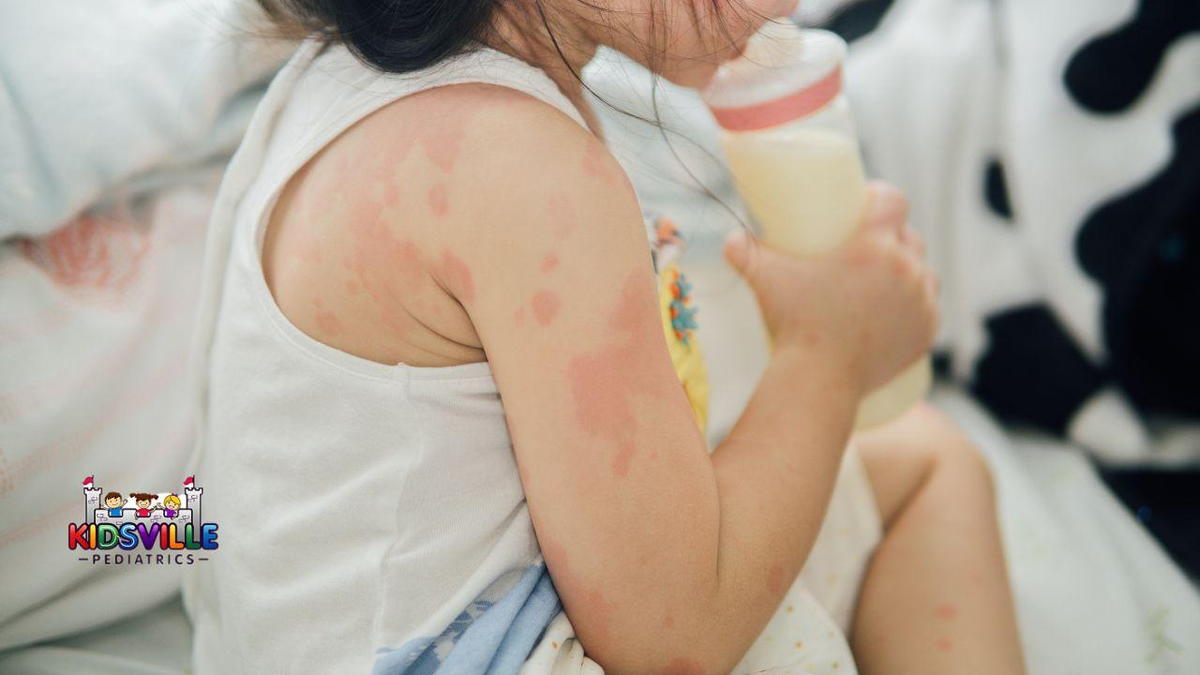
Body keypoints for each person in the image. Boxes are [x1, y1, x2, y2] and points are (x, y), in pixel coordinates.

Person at [181, 0, 1025, 672]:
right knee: (914, 467)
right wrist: (828, 355)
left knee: (915, 459)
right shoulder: (518, 167)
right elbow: (675, 636)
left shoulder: (342, 87)